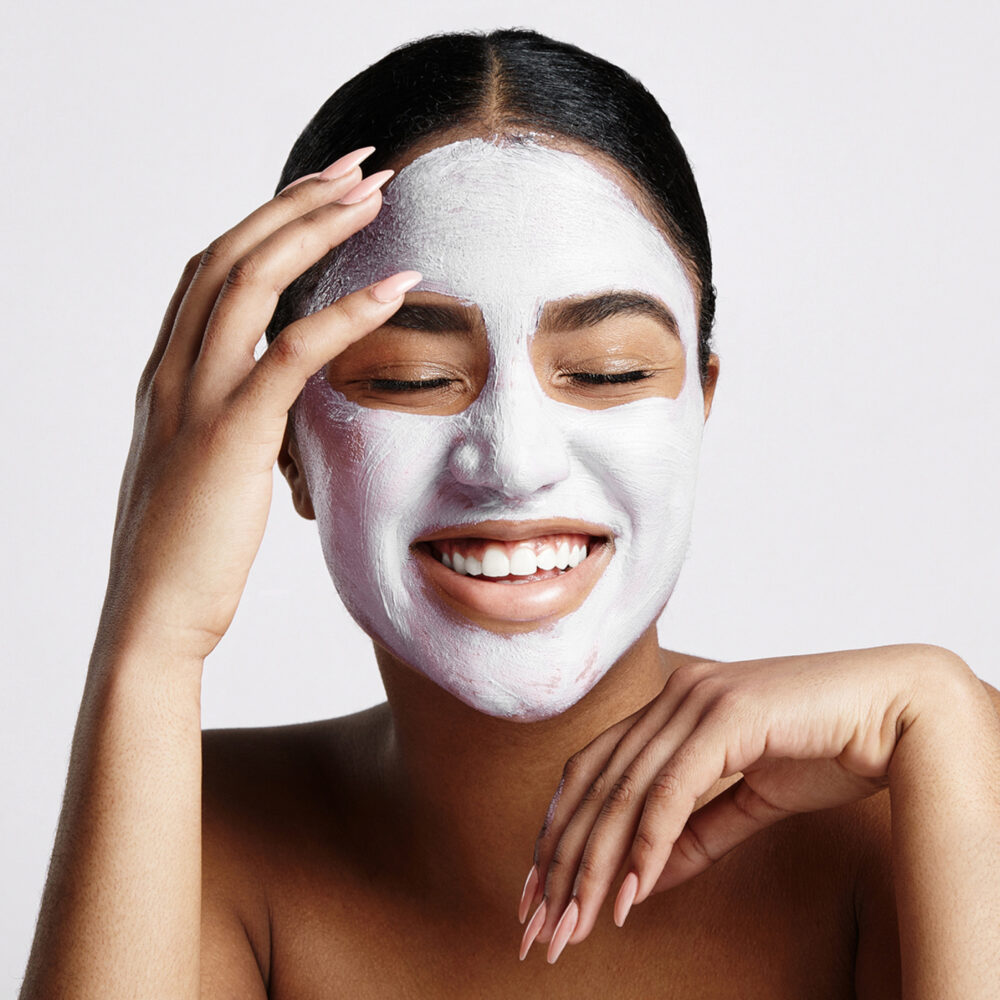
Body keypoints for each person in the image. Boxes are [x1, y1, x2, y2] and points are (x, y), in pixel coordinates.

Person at [18, 26, 1000, 999]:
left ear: (700, 401)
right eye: (414, 378)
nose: (517, 464)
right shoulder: (196, 836)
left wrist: (955, 726)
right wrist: (151, 638)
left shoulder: (914, 814)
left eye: (608, 370)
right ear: (282, 442)